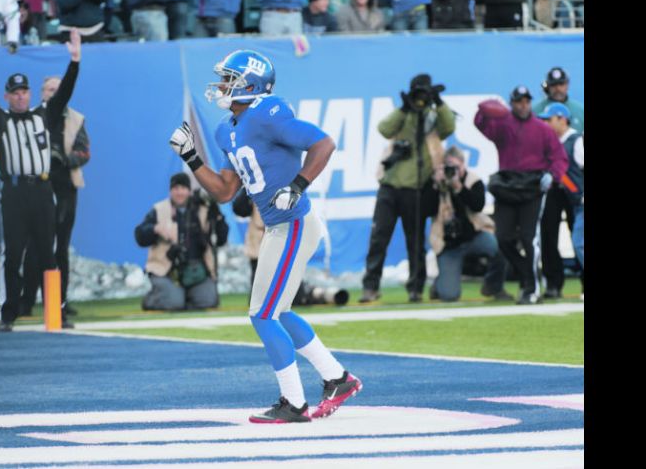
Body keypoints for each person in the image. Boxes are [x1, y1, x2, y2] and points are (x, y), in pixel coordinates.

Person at [168, 49, 362, 423]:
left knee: (262, 314)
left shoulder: (268, 112)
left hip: (293, 223)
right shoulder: (228, 128)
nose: (222, 85)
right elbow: (225, 190)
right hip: (278, 226)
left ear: (250, 84)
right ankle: (337, 378)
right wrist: (192, 157)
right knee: (278, 311)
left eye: (228, 78)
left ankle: (294, 402)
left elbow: (323, 143)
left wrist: (299, 184)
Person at [0, 29, 82, 332]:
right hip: (15, 194)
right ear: (8, 96)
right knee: (13, 256)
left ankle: (55, 312)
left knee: (49, 254)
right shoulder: (0, 119)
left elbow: (65, 93)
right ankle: (9, 314)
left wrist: (74, 62)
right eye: (15, 92)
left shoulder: (43, 115)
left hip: (43, 191)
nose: (20, 96)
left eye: (24, 91)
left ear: (29, 94)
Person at [360, 73, 455, 303]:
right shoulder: (403, 116)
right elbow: (384, 128)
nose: (420, 98)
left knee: (415, 243)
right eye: (418, 93)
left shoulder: (432, 118)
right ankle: (370, 287)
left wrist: (438, 102)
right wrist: (404, 107)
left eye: (424, 93)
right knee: (379, 238)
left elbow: (449, 126)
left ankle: (416, 288)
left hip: (416, 189)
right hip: (390, 187)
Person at [474, 86, 568, 304]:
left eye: (526, 101)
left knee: (529, 238)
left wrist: (552, 176)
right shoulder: (503, 125)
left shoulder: (542, 129)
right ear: (512, 103)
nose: (523, 105)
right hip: (507, 185)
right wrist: (482, 109)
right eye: (519, 101)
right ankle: (528, 275)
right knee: (503, 239)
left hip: (532, 188)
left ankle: (532, 289)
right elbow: (482, 125)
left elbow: (559, 157)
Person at [21, 75, 92, 318]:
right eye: (49, 89)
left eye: (57, 89)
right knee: (33, 246)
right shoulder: (31, 117)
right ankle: (27, 301)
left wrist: (65, 159)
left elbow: (85, 152)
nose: (53, 93)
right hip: (36, 188)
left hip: (65, 188)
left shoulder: (76, 118)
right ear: (42, 93)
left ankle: (60, 302)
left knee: (61, 247)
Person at [134, 173, 228, 310]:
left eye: (183, 188)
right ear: (170, 191)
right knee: (174, 303)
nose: (179, 192)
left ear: (189, 191)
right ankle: (152, 299)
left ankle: (183, 297)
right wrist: (155, 229)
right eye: (176, 188)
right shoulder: (159, 210)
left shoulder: (202, 210)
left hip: (196, 270)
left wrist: (218, 216)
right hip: (166, 270)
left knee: (208, 300)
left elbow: (221, 239)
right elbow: (140, 237)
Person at [428, 146, 510, 302]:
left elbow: (477, 206)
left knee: (498, 246)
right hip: (449, 244)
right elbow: (427, 210)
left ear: (463, 164)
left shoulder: (473, 180)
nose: (453, 171)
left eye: (456, 167)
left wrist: (459, 187)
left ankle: (493, 286)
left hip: (474, 236)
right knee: (449, 296)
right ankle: (439, 284)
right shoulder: (438, 183)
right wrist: (435, 186)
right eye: (449, 167)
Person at [532, 67, 584, 298]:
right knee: (548, 233)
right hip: (552, 184)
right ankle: (553, 282)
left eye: (561, 84)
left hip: (575, 188)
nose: (558, 88)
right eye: (554, 85)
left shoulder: (578, 113)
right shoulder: (538, 111)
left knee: (580, 236)